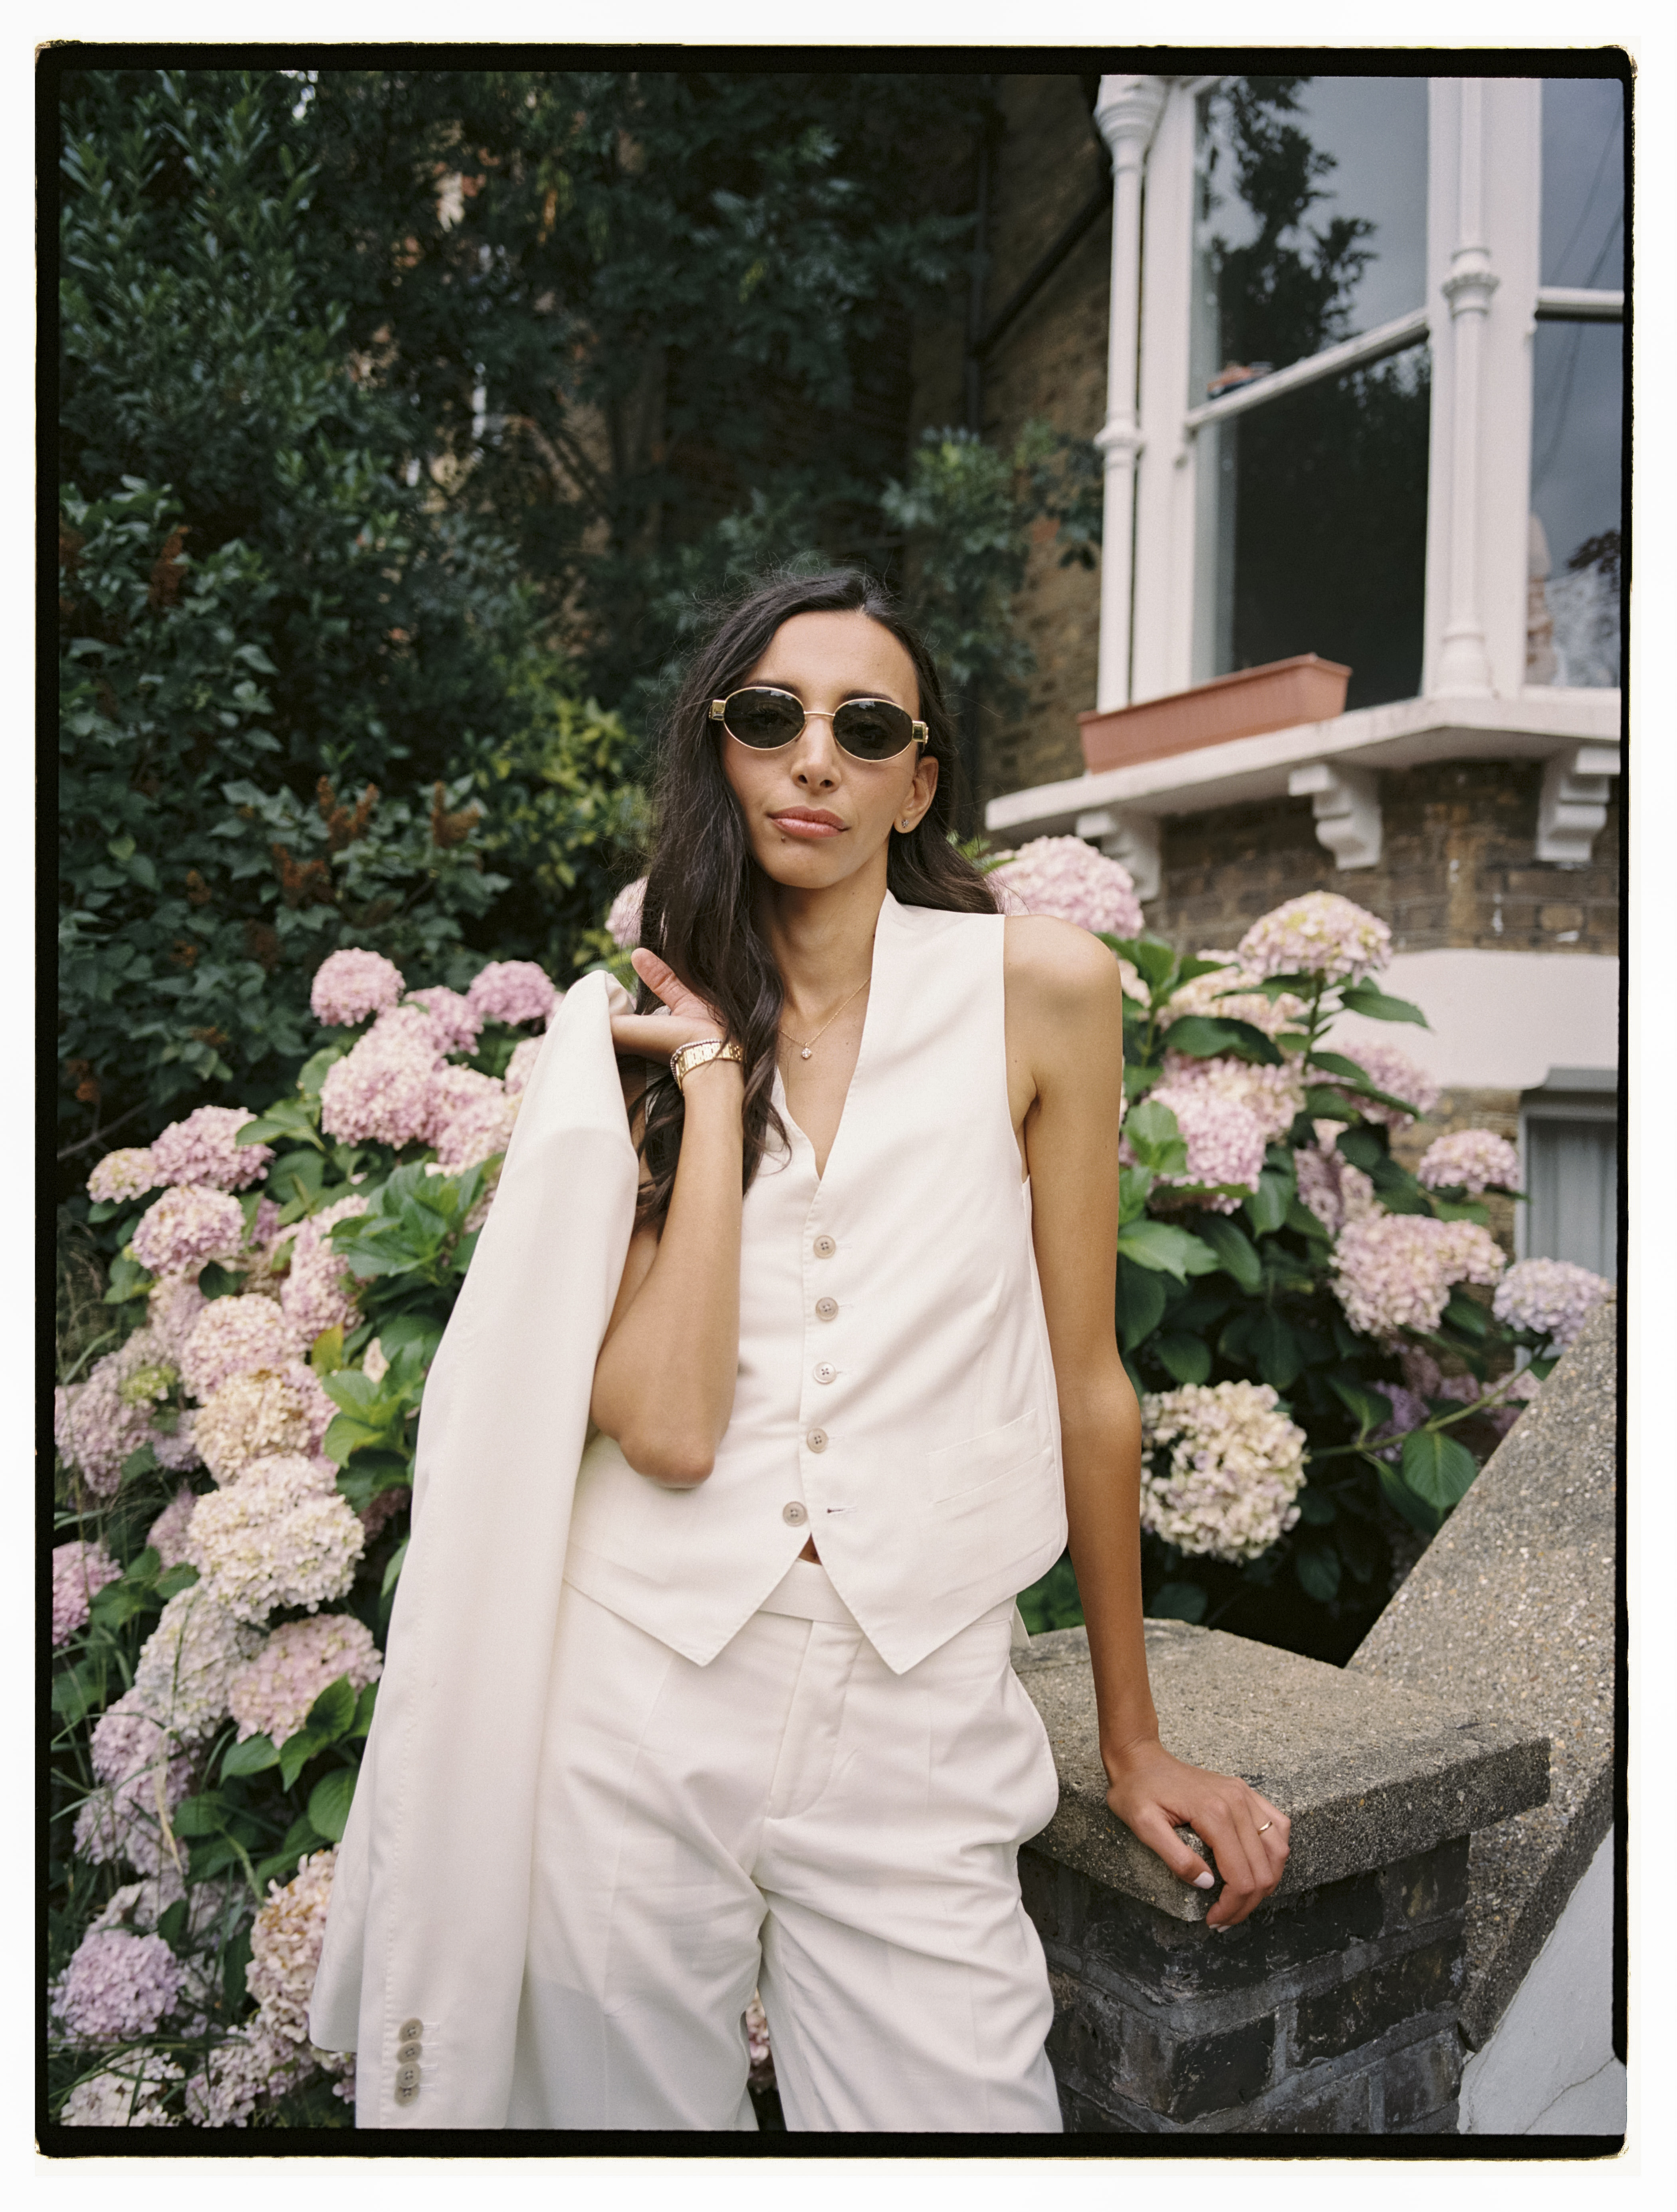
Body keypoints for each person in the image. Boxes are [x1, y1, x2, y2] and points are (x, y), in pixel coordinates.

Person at [496, 569, 1290, 2133]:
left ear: (920, 776)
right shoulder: (635, 1031)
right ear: (719, 745)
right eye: (772, 717)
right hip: (638, 1686)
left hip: (920, 1705)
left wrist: (1132, 1742)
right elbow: (660, 1422)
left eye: (866, 728)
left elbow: (1088, 1379)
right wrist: (715, 1089)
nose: (815, 760)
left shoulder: (1043, 988)